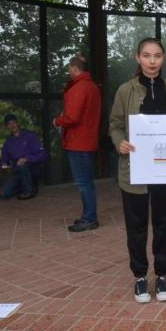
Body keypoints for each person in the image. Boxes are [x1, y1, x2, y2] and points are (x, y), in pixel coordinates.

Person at [109, 38, 166, 303]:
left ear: (164, 58)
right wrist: (118, 141)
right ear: (137, 58)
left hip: (165, 171)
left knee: (164, 226)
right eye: (146, 55)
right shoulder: (125, 90)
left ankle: (163, 275)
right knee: (136, 227)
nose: (152, 61)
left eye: (157, 56)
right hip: (134, 170)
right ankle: (141, 278)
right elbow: (115, 125)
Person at [53, 54, 102, 232]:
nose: (68, 72)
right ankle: (89, 216)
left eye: (69, 69)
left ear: (74, 69)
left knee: (83, 183)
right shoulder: (92, 87)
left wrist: (57, 121)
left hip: (78, 142)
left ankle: (89, 218)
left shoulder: (78, 88)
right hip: (88, 141)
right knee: (87, 182)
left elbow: (71, 117)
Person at [0, 114, 47, 200]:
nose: (12, 125)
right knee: (4, 193)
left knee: (23, 165)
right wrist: (5, 165)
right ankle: (27, 185)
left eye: (14, 122)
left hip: (33, 168)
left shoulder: (30, 136)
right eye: (9, 124)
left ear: (18, 123)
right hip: (18, 171)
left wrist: (27, 158)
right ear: (7, 127)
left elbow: (42, 154)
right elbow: (4, 159)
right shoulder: (8, 142)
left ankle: (29, 191)